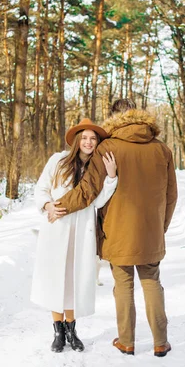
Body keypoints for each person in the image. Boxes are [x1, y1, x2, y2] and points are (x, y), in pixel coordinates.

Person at [50, 99, 178, 358]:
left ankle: (127, 342)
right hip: (150, 231)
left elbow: (87, 191)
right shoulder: (162, 149)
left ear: (113, 118)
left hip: (118, 231)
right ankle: (160, 343)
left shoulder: (108, 147)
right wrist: (160, 227)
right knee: (152, 281)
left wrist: (58, 206)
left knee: (123, 284)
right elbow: (171, 195)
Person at [31, 118, 118, 353]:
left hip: (82, 230)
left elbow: (98, 201)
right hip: (57, 228)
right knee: (55, 278)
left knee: (74, 279)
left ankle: (72, 329)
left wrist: (110, 178)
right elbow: (41, 188)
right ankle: (58, 331)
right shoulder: (57, 161)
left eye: (93, 138)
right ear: (77, 140)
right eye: (85, 138)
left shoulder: (97, 167)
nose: (89, 142)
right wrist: (47, 205)